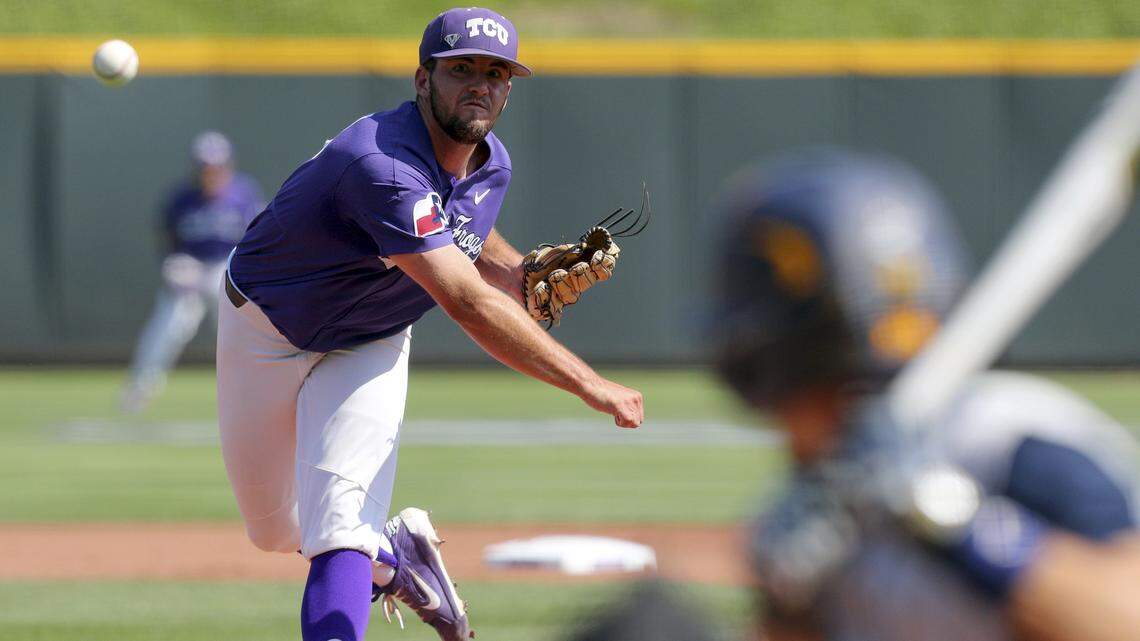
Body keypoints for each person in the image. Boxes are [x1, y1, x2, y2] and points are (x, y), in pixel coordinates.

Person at [217, 8, 643, 641]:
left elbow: (463, 231)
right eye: (461, 69)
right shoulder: (381, 163)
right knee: (275, 530)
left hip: (372, 339)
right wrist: (589, 382)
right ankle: (399, 564)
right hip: (268, 330)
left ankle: (366, 555)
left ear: (509, 87)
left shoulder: (490, 161)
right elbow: (466, 303)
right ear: (423, 80)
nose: (480, 84)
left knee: (337, 528)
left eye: (497, 73)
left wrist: (519, 270)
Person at [707, 150, 1140, 641]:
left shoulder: (1009, 442)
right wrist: (786, 602)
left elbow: (1128, 619)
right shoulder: (815, 506)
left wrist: (952, 519)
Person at [121, 131, 263, 413]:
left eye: (216, 167)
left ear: (227, 166)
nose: (211, 173)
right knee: (171, 324)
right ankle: (140, 388)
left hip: (228, 269)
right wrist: (173, 263)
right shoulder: (181, 199)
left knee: (242, 331)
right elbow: (169, 241)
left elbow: (257, 237)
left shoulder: (244, 193)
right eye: (205, 167)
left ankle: (256, 392)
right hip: (193, 268)